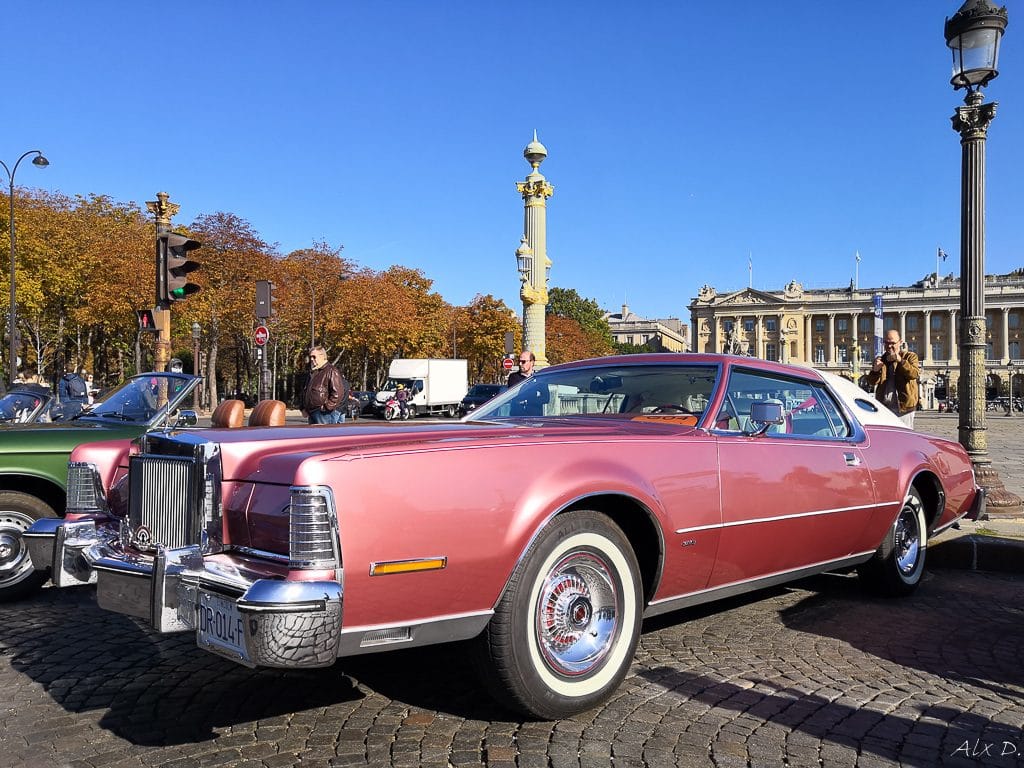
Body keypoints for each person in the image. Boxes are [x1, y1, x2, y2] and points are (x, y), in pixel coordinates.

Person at [865, 330, 921, 427]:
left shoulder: (910, 357)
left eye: (893, 343)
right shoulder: (880, 359)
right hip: (885, 408)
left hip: (904, 408)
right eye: (887, 343)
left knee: (904, 438)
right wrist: (875, 371)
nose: (889, 346)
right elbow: (872, 382)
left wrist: (900, 361)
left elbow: (914, 374)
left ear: (900, 342)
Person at [302, 346, 349, 424]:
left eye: (314, 357)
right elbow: (305, 390)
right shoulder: (313, 372)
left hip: (324, 414)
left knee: (324, 435)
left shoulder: (331, 371)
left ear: (322, 356)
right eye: (310, 357)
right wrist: (303, 408)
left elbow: (338, 394)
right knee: (314, 436)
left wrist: (326, 407)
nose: (311, 359)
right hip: (312, 412)